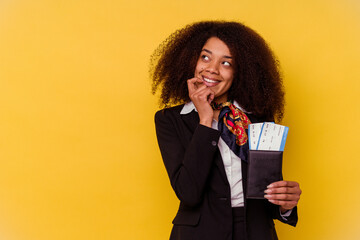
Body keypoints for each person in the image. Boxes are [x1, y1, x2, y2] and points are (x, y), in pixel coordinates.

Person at [150, 21, 301, 240]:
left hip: (254, 232)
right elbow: (188, 192)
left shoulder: (257, 120)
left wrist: (286, 204)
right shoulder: (170, 120)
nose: (212, 68)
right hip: (199, 234)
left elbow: (265, 192)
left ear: (241, 71)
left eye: (226, 63)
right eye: (205, 57)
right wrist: (205, 119)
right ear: (192, 59)